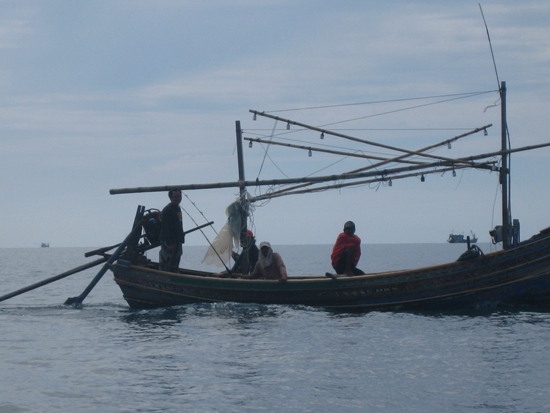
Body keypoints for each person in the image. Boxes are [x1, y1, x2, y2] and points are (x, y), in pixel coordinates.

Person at [159, 189, 185, 271]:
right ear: (170, 198)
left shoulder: (177, 208)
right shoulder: (168, 210)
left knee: (175, 262)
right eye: (175, 197)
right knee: (168, 263)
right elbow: (165, 227)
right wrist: (169, 243)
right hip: (170, 242)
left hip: (178, 240)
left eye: (179, 196)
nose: (177, 198)